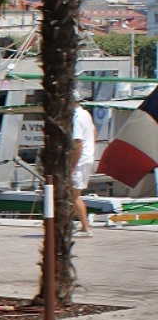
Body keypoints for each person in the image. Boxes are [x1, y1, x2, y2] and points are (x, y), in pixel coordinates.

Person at [71, 93, 96, 237]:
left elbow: (77, 143)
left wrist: (72, 165)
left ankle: (86, 228)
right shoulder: (85, 113)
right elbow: (94, 132)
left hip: (80, 161)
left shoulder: (77, 118)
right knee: (75, 194)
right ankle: (82, 225)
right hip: (88, 157)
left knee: (74, 196)